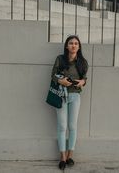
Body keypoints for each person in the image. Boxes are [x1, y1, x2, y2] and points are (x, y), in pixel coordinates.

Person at [51, 35, 88, 170]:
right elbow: (53, 74)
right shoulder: (60, 59)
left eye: (76, 43)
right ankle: (63, 157)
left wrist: (83, 82)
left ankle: (70, 155)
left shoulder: (83, 62)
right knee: (62, 126)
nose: (73, 45)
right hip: (61, 95)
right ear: (67, 46)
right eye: (71, 43)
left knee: (72, 126)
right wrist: (61, 81)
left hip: (75, 96)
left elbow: (84, 78)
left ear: (79, 47)